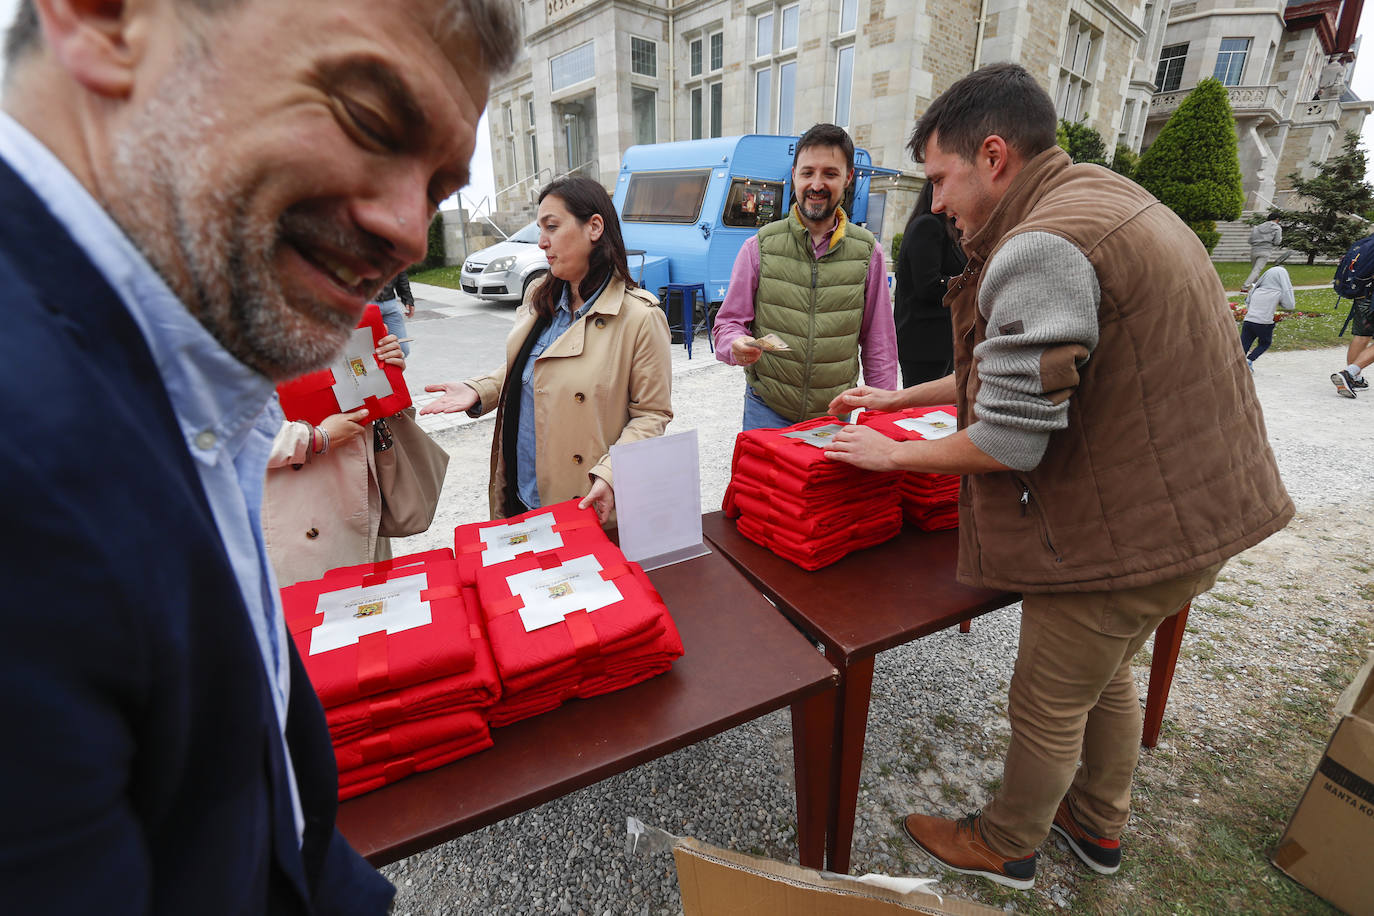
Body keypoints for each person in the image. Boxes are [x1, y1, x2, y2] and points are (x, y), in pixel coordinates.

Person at [0, 0, 518, 912]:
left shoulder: (175, 366)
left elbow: (274, 820)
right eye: (369, 117)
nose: (411, 233)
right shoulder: (32, 460)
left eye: (440, 187)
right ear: (106, 18)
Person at [824, 64, 1293, 891]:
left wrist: (888, 453)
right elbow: (1016, 365)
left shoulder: (1042, 245)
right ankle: (1098, 821)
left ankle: (1006, 843)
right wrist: (898, 398)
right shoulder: (1102, 197)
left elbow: (1009, 439)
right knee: (1104, 677)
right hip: (1194, 511)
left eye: (941, 178)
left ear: (993, 156)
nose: (935, 203)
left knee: (1046, 701)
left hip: (1128, 533)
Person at [420, 176, 672, 525]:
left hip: (583, 497)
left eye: (551, 227)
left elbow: (652, 415)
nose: (541, 242)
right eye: (540, 229)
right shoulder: (541, 296)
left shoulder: (640, 318)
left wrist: (611, 474)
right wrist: (481, 389)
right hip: (522, 490)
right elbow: (536, 367)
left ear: (594, 227)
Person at [712, 123, 898, 429]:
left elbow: (879, 345)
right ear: (795, 175)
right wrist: (735, 343)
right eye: (808, 172)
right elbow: (727, 324)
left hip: (834, 415)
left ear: (848, 178)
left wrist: (881, 418)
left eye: (830, 174)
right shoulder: (759, 247)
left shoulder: (868, 253)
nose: (816, 184)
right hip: (766, 409)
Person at [263, 335, 407, 589]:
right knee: (317, 600)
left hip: (356, 478)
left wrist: (382, 367)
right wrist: (315, 438)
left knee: (369, 594)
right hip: (297, 494)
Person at [893, 181, 965, 386]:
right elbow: (927, 285)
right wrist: (967, 283)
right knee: (923, 404)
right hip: (924, 340)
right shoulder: (928, 225)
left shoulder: (947, 227)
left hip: (938, 339)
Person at [1240, 265, 1294, 369]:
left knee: (1244, 344)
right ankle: (1250, 360)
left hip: (1248, 320)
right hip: (1264, 323)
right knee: (1265, 343)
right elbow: (1289, 305)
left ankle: (1238, 364)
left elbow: (1248, 302)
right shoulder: (1278, 292)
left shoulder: (1256, 290)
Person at [1330, 296, 1374, 398]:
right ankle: (1349, 373)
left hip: (1364, 296)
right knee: (1362, 336)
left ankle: (1354, 379)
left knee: (1362, 336)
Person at [375, 270, 416, 356]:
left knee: (402, 350)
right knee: (368, 351)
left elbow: (400, 271)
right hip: (365, 304)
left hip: (390, 304)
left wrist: (407, 298)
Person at [1242, 212, 1283, 291]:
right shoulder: (1277, 228)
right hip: (1266, 250)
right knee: (1256, 270)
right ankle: (1245, 287)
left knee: (1255, 270)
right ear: (1277, 219)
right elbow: (1277, 242)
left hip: (1254, 250)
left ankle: (1256, 287)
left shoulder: (1257, 227)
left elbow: (1250, 240)